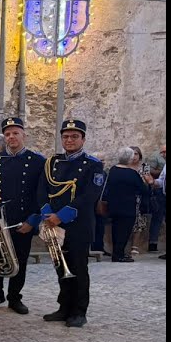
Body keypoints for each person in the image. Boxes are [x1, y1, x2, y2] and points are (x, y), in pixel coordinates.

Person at [39, 119, 105, 328]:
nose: (69, 140)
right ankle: (64, 307)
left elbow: (90, 195)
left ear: (83, 139)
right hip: (54, 223)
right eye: (66, 136)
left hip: (77, 224)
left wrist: (62, 215)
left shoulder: (93, 165)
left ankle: (79, 311)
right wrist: (47, 213)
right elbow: (42, 190)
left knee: (78, 267)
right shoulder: (53, 163)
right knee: (61, 266)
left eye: (74, 136)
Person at [0, 118, 44, 314]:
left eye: (15, 133)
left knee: (20, 259)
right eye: (7, 134)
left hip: (23, 218)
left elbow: (40, 193)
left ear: (24, 135)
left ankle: (15, 297)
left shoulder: (38, 161)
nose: (11, 137)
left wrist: (32, 220)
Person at [105, 147, 152, 262]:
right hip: (127, 206)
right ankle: (119, 255)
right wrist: (149, 183)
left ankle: (116, 253)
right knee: (124, 231)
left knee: (116, 229)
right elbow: (143, 190)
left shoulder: (113, 170)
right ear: (130, 159)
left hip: (114, 205)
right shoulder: (132, 173)